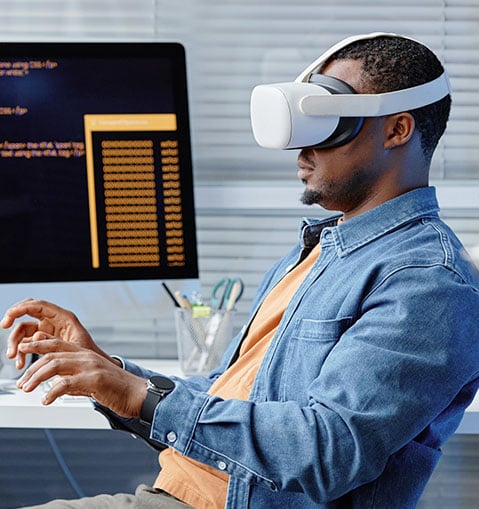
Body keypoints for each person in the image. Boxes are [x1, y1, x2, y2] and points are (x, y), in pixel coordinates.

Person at [3, 32, 479, 509]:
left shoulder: (426, 280)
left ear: (397, 130)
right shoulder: (321, 251)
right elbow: (228, 400)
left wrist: (138, 396)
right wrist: (109, 372)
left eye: (332, 122)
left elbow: (326, 452)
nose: (303, 151)